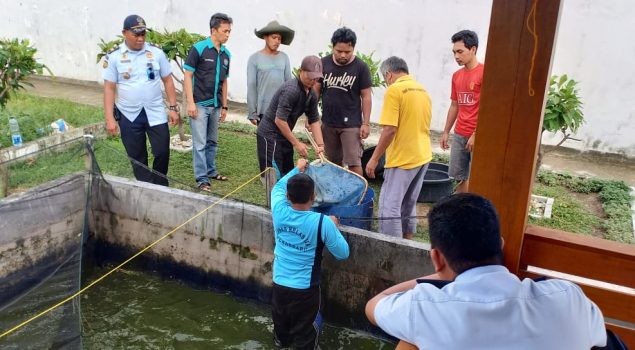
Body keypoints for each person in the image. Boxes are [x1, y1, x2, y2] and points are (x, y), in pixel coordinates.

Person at [365, 193, 607, 349]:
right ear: (500, 244)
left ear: (437, 258)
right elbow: (601, 337)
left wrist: (440, 275)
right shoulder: (567, 297)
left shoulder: (426, 308)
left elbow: (375, 305)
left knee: (411, 340)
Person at [270, 158, 349, 349]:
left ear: (288, 196)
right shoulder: (323, 223)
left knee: (281, 337)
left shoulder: (278, 209)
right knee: (305, 340)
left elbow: (277, 187)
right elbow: (343, 253)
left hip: (279, 285)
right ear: (313, 196)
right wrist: (333, 226)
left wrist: (297, 168)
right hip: (305, 292)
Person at [102, 15, 179, 187]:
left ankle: (160, 185)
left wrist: (173, 108)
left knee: (162, 151)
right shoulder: (114, 57)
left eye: (143, 34)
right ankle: (148, 188)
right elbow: (109, 88)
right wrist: (110, 119)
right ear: (124, 33)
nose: (140, 38)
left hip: (155, 111)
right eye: (136, 34)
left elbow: (167, 80)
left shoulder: (156, 53)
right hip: (129, 114)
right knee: (137, 157)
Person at [365, 56, 432, 239]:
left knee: (389, 207)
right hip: (423, 155)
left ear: (388, 75)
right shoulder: (421, 89)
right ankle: (407, 244)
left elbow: (389, 130)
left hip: (403, 159)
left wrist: (374, 158)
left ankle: (391, 252)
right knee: (408, 203)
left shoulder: (395, 90)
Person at [183, 13, 233, 191]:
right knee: (200, 143)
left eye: (229, 31)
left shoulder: (226, 54)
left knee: (212, 141)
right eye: (225, 31)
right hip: (199, 104)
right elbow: (187, 76)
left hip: (216, 105)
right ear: (214, 30)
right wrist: (190, 103)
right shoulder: (199, 49)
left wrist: (225, 105)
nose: (228, 35)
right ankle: (202, 179)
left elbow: (224, 81)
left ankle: (211, 171)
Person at [256, 55, 326, 179]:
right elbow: (279, 120)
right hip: (269, 135)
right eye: (310, 76)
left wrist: (320, 145)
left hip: (284, 135)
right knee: (273, 177)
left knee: (289, 175)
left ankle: (286, 198)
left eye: (316, 78)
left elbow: (314, 120)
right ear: (301, 71)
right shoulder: (291, 90)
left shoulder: (312, 94)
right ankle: (273, 198)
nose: (313, 81)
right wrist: (297, 143)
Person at [315, 27, 372, 176]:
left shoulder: (361, 68)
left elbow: (366, 96)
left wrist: (365, 123)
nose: (343, 55)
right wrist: (311, 117)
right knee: (333, 162)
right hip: (329, 123)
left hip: (352, 125)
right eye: (339, 51)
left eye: (347, 52)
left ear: (353, 48)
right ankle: (338, 192)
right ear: (333, 47)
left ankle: (359, 196)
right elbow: (316, 91)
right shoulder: (323, 64)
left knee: (354, 163)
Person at [440, 30, 484, 193]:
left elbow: (487, 109)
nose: (456, 56)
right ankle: (462, 209)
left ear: (473, 49)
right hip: (460, 133)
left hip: (477, 135)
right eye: (454, 52)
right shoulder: (457, 76)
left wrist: (476, 134)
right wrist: (446, 131)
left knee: (478, 177)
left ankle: (475, 212)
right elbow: (454, 105)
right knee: (459, 177)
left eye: (460, 52)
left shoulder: (484, 73)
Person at [247, 20, 294, 125]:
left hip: (281, 111)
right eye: (274, 37)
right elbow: (251, 86)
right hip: (263, 111)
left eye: (279, 38)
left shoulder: (284, 57)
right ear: (265, 37)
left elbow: (289, 85)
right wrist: (252, 111)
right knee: (264, 141)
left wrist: (289, 109)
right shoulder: (254, 59)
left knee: (280, 141)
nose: (277, 41)